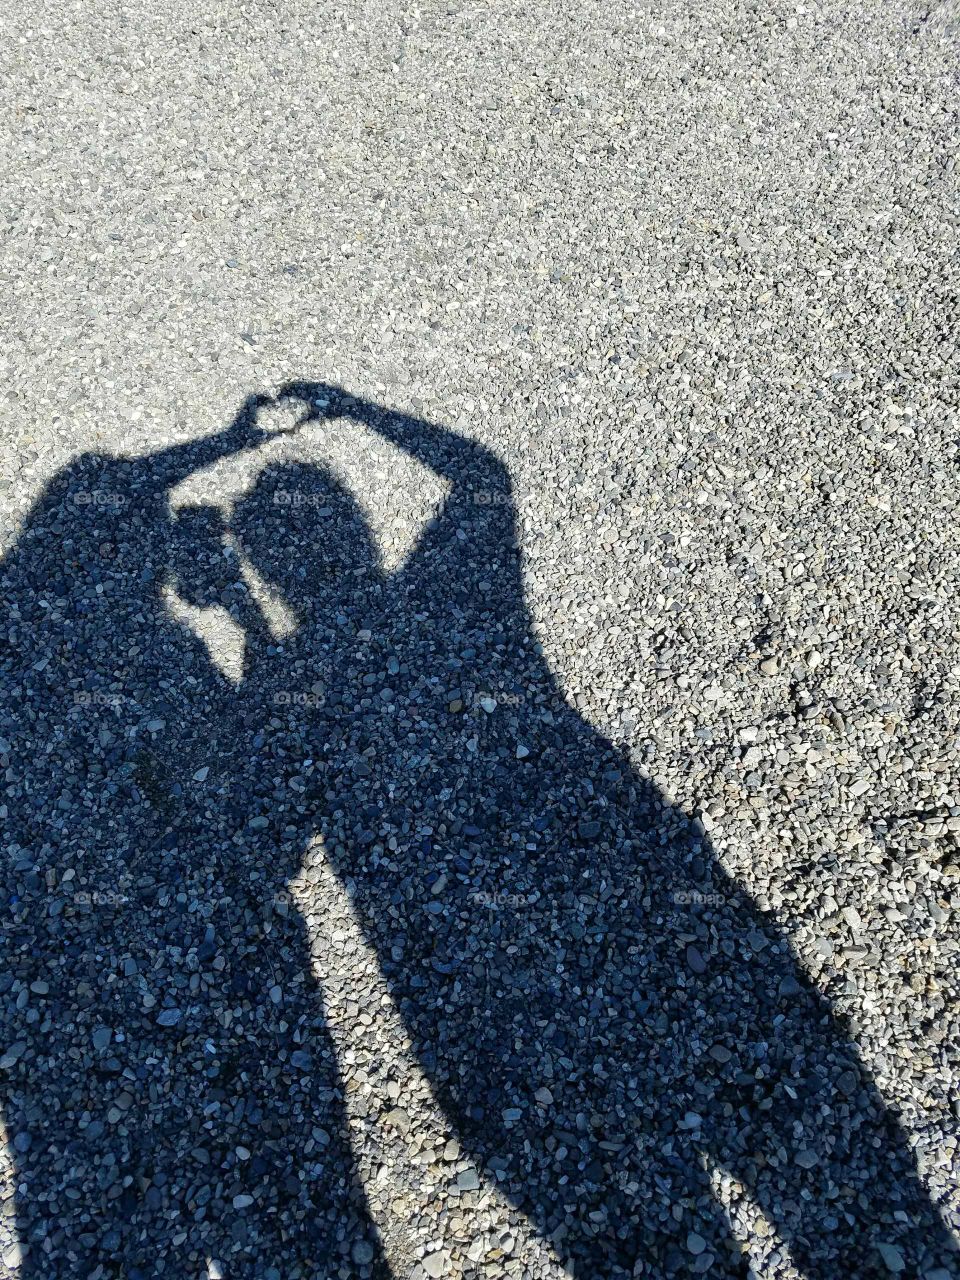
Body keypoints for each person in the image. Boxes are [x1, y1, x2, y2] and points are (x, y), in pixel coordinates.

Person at [224, 381, 958, 1279]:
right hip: (656, 904)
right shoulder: (455, 592)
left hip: (487, 997)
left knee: (640, 1240)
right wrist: (357, 411)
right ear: (353, 539)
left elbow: (267, 845)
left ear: (270, 573)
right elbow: (481, 477)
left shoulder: (288, 684)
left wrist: (244, 621)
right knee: (857, 1194)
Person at [0, 398, 386, 1278]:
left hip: (62, 990)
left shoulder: (23, 615)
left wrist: (226, 442)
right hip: (232, 953)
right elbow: (272, 794)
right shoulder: (136, 644)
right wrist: (246, 611)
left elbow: (117, 494)